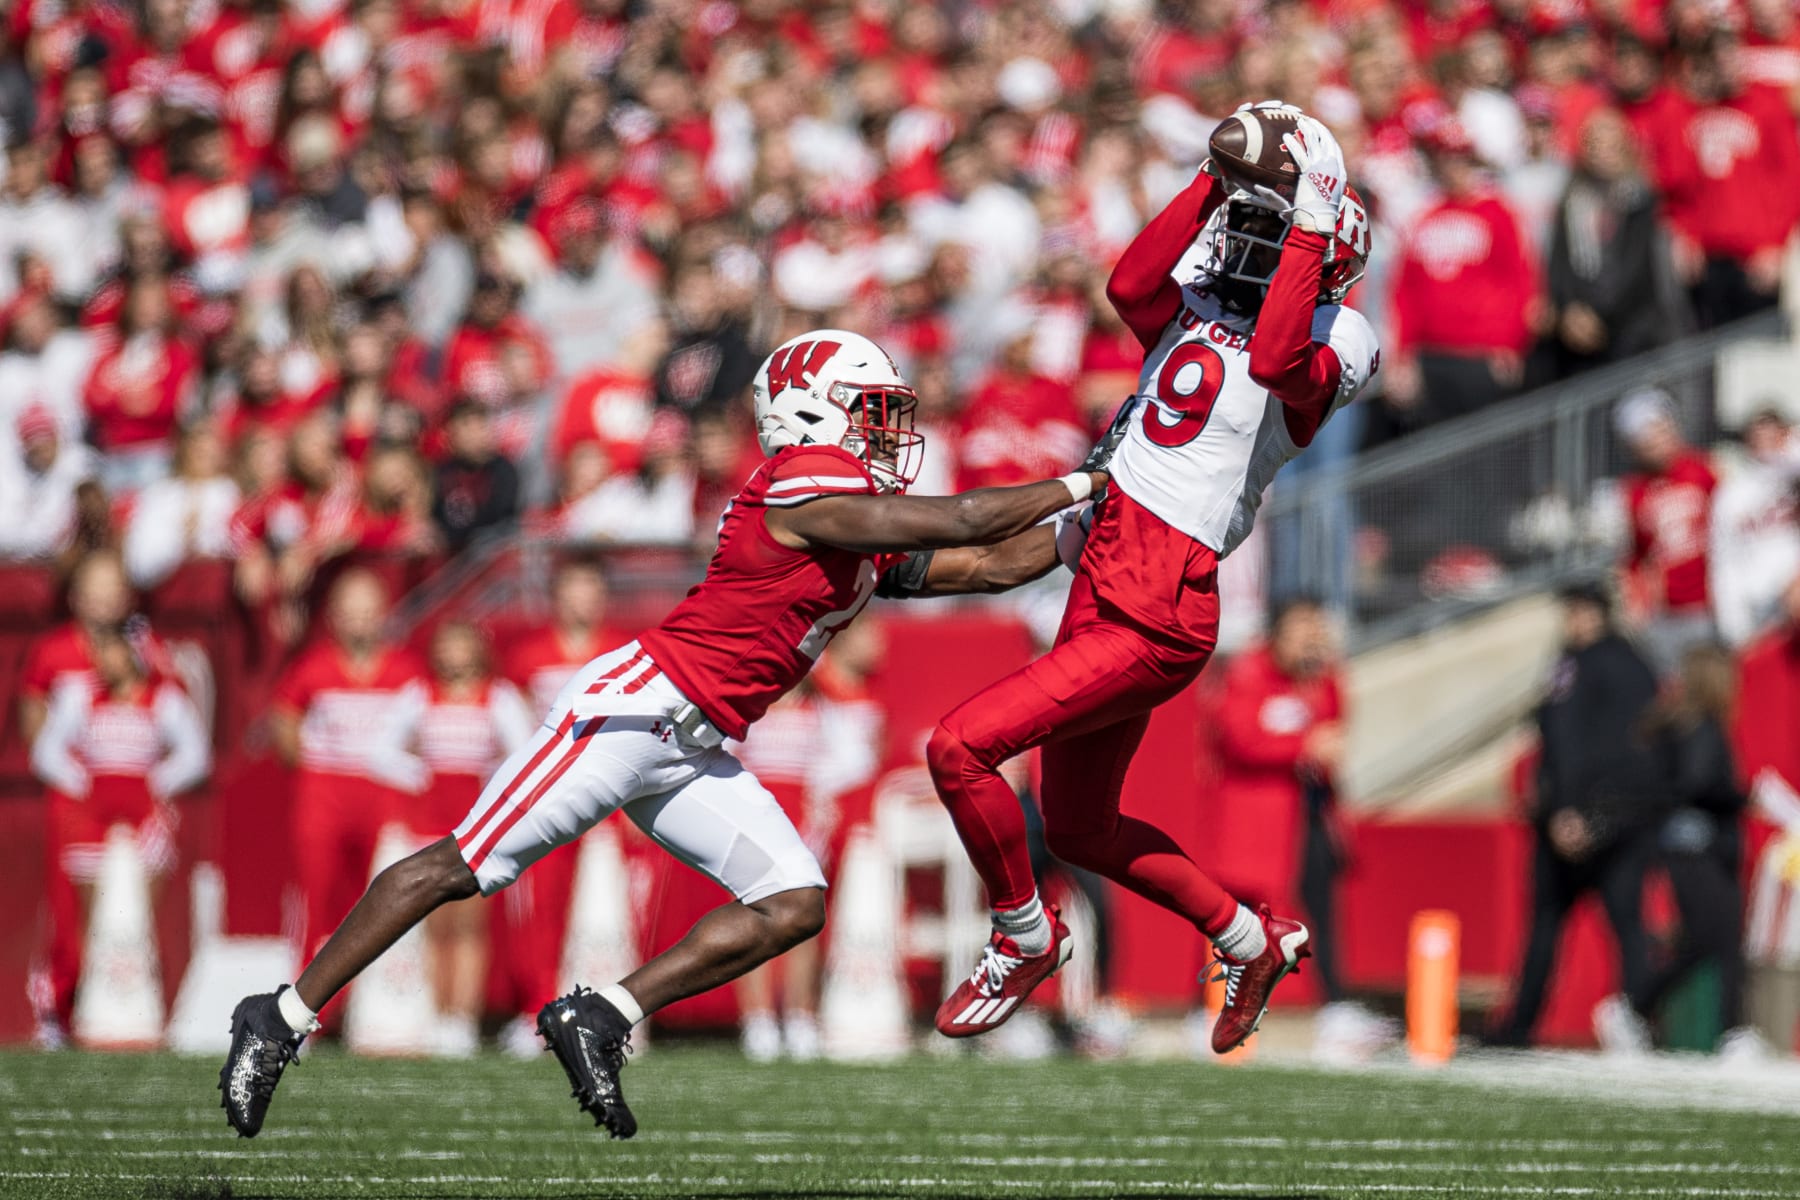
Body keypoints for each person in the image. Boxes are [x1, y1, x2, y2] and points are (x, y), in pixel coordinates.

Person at [219, 329, 1109, 1140]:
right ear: (814, 414)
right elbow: (960, 520)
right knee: (462, 867)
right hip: (630, 712)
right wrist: (1084, 479)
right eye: (870, 413)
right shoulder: (801, 485)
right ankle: (282, 1015)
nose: (885, 433)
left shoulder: (845, 516)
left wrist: (1085, 530)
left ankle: (600, 1014)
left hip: (692, 744)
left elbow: (987, 562)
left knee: (793, 900)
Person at [921, 104, 1379, 1054]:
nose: (1243, 244)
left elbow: (1280, 359)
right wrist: (1211, 183)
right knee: (1081, 827)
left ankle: (1022, 934)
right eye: (1243, 227)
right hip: (1104, 571)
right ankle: (1249, 939)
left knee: (958, 748)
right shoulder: (1203, 307)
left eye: (1269, 230)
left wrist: (1309, 213)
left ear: (1321, 249)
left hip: (1158, 605)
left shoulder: (1346, 334)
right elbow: (1128, 285)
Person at [1485, 583, 1661, 1048]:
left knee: (1614, 924)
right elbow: (1567, 742)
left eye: (1582, 612)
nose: (1574, 621)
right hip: (1591, 820)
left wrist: (1579, 811)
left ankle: (1631, 1019)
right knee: (1568, 927)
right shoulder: (1605, 665)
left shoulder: (1604, 666)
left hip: (1598, 821)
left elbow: (1597, 748)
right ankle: (1527, 1025)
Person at [30, 626, 209, 1044]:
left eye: (114, 652)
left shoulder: (163, 700)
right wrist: (82, 782)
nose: (105, 662)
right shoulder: (79, 696)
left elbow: (195, 753)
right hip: (91, 816)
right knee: (87, 922)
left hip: (144, 814)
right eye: (101, 653)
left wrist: (157, 782)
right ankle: (80, 1012)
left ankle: (149, 1012)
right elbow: (46, 751)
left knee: (142, 917)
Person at [376, 622, 535, 1057]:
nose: (455, 653)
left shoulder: (498, 696)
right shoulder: (418, 694)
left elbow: (524, 753)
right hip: (427, 824)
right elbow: (382, 750)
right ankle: (439, 1013)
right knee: (435, 924)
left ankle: (463, 1017)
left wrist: (489, 781)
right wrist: (419, 774)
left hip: (476, 826)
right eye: (447, 642)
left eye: (462, 642)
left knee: (469, 924)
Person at [1598, 644, 1760, 1057]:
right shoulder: (1702, 727)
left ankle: (1636, 1007)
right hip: (1699, 846)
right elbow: (1698, 784)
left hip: (1683, 846)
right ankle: (1731, 1034)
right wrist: (1742, 798)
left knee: (1705, 942)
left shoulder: (1676, 725)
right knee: (1722, 943)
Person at [268, 570, 426, 964]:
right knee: (316, 896)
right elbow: (284, 717)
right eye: (350, 613)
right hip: (325, 792)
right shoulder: (313, 667)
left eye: (368, 612)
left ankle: (377, 998)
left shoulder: (407, 670)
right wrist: (307, 763)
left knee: (384, 896)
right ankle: (308, 997)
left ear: (384, 615)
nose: (360, 622)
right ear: (334, 617)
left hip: (385, 794)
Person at [1616, 388, 1719, 674]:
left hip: (1712, 602)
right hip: (1668, 611)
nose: (1657, 440)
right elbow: (1634, 555)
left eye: (1661, 429)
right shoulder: (1633, 492)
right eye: (1647, 435)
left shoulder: (1704, 470)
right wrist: (1638, 604)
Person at [1709, 408, 1800, 648]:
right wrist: (1732, 622)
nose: (1766, 444)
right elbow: (1723, 558)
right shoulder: (1732, 492)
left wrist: (1790, 446)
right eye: (1758, 437)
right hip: (1757, 608)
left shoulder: (1793, 478)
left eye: (1774, 435)